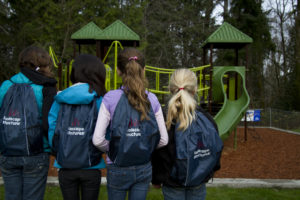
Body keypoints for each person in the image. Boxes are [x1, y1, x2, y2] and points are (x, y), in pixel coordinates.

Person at [92, 47, 168, 200]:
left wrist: (116, 147)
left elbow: (97, 140)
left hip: (118, 165)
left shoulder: (110, 98)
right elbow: (163, 139)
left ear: (118, 71)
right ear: (144, 69)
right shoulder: (152, 99)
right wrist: (144, 146)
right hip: (143, 166)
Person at [151, 68, 223, 200]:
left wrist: (156, 178)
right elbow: (215, 146)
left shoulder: (163, 118)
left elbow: (158, 152)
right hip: (198, 181)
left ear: (170, 89)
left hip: (172, 182)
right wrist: (210, 171)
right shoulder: (206, 118)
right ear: (195, 90)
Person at [0, 46, 57, 200]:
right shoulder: (45, 87)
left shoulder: (5, 85)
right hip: (36, 152)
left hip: (8, 151)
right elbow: (48, 123)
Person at [48, 54, 106, 200]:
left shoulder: (60, 98)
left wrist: (57, 150)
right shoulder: (100, 100)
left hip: (65, 163)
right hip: (91, 164)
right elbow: (106, 131)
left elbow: (51, 127)